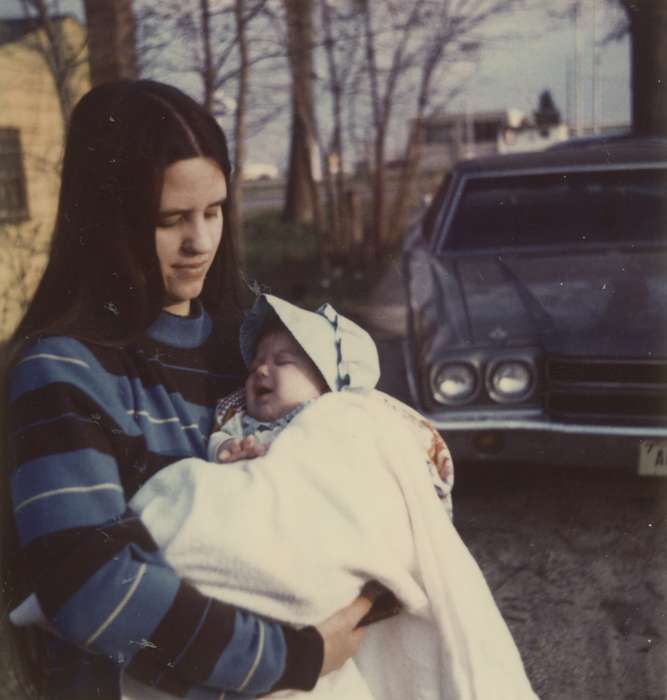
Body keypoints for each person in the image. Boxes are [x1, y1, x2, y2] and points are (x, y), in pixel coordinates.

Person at [2, 79, 372, 700]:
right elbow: (86, 586)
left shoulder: (252, 344)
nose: (200, 242)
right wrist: (290, 656)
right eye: (170, 220)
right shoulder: (61, 371)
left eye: (215, 210)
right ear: (106, 222)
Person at [208, 294, 381, 465]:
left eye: (282, 362)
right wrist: (228, 447)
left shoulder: (327, 417)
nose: (260, 370)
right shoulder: (241, 421)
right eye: (254, 366)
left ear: (324, 384)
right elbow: (218, 439)